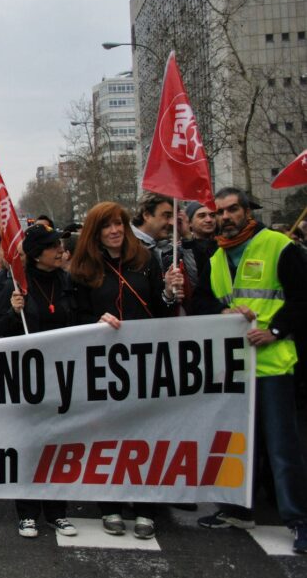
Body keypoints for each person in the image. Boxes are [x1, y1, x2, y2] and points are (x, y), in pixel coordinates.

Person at [192, 188, 307, 554]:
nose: (224, 217)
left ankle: (298, 519)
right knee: (237, 445)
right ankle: (236, 510)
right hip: (233, 369)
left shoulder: (278, 245)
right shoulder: (216, 255)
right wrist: (219, 312)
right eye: (219, 211)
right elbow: (208, 302)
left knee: (282, 448)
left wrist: (274, 331)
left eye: (231, 210)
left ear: (247, 211)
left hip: (272, 365)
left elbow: (302, 297)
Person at [70, 202, 183, 539]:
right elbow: (73, 320)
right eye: (107, 226)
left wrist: (167, 291)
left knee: (143, 435)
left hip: (143, 364)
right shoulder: (80, 270)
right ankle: (110, 504)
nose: (115, 230)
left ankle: (146, 507)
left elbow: (163, 314)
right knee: (107, 436)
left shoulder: (146, 262)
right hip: (102, 368)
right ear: (95, 232)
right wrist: (96, 322)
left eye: (119, 223)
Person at [2, 225, 78, 539]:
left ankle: (57, 512)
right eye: (53, 246)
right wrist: (11, 311)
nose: (60, 250)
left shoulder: (67, 281)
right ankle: (28, 512)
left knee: (58, 444)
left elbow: (81, 319)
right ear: (36, 254)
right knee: (30, 445)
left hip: (61, 376)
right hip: (27, 379)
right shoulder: (19, 285)